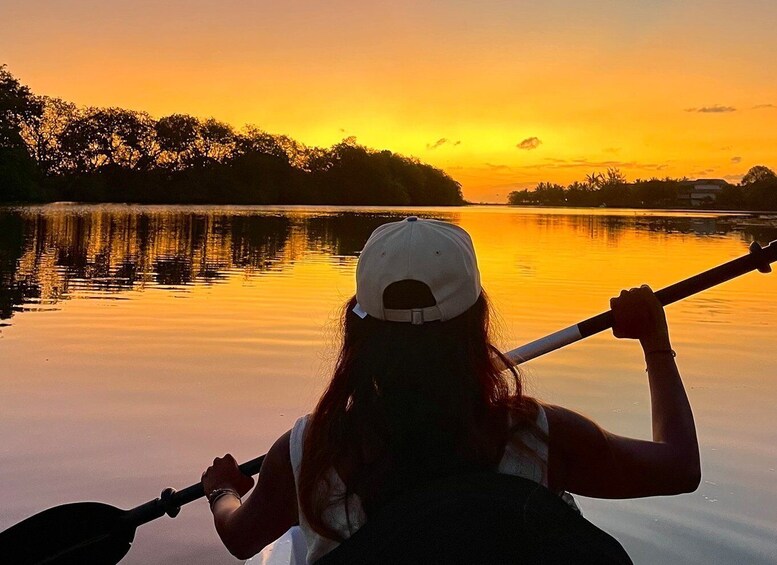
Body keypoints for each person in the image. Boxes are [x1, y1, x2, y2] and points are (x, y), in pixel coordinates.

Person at [201, 217, 701, 563]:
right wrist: (655, 342)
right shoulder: (538, 435)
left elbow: (241, 539)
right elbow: (679, 467)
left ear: (360, 331)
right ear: (476, 320)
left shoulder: (310, 448)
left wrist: (223, 489)